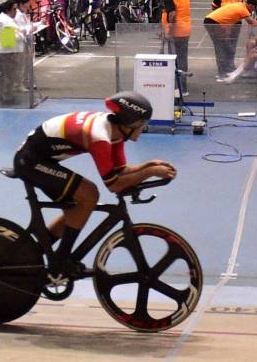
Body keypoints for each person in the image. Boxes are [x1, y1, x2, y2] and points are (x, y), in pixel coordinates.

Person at [10, 93, 173, 267]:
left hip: (41, 159)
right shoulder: (99, 137)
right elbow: (114, 185)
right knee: (89, 194)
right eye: (141, 125)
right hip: (29, 161)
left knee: (76, 208)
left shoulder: (115, 131)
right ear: (128, 123)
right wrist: (149, 172)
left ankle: (33, 256)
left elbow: (120, 171)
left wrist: (147, 166)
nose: (143, 129)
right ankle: (61, 260)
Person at [206, 0, 253, 81]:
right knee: (220, 47)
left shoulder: (240, 4)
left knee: (225, 46)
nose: (253, 10)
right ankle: (221, 74)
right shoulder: (243, 9)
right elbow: (252, 22)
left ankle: (226, 69)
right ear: (251, 5)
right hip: (213, 22)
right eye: (254, 7)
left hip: (215, 22)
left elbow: (228, 18)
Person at [162, 0, 192, 87]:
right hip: (186, 28)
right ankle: (184, 86)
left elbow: (173, 14)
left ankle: (176, 86)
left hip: (176, 31)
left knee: (173, 58)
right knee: (183, 58)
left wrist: (169, 31)